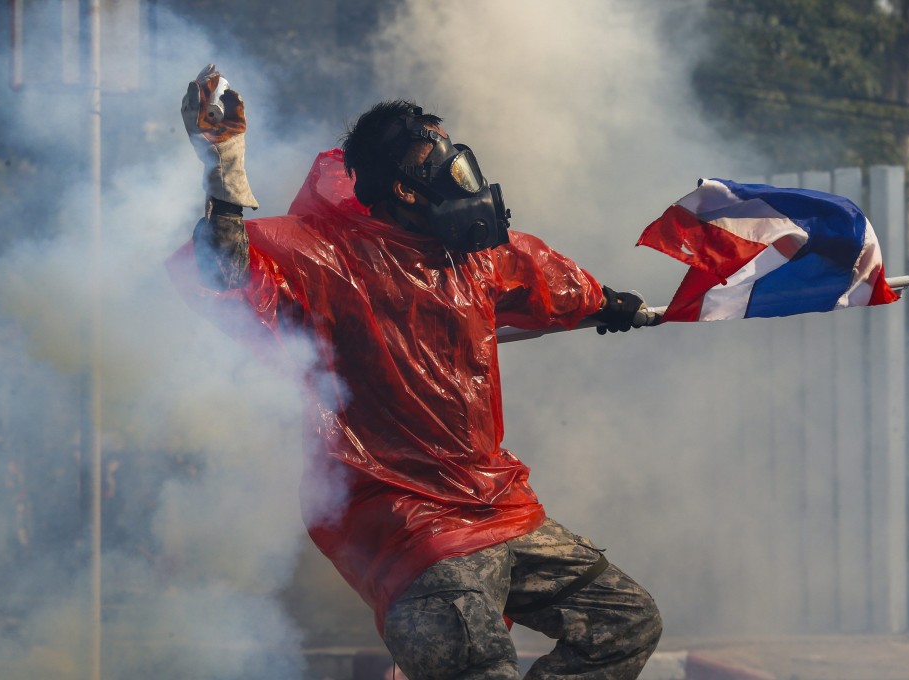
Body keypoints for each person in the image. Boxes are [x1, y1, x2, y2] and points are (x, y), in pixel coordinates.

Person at [174, 64, 662, 680]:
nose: (461, 173)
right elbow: (226, 276)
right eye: (442, 162)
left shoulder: (466, 257)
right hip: (409, 523)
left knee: (624, 622)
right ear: (406, 189)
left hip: (494, 504)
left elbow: (539, 275)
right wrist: (224, 173)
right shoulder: (326, 258)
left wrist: (608, 302)